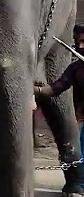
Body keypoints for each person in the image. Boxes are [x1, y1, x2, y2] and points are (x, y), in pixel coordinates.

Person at [34, 27, 84, 185]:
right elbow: (56, 88)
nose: (81, 47)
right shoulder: (75, 69)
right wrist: (34, 90)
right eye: (79, 42)